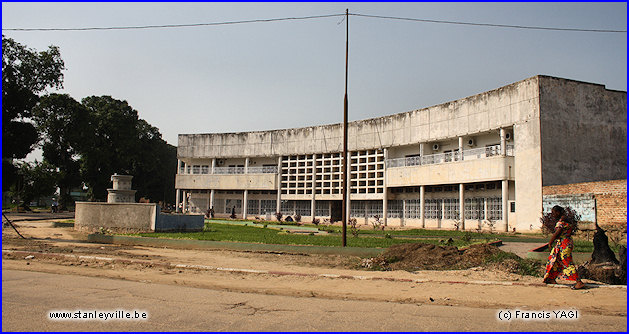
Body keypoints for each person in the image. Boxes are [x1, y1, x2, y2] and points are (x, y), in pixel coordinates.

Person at [543, 205, 585, 290]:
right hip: (565, 243)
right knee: (555, 259)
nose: (552, 214)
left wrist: (550, 242)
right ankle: (551, 278)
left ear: (558, 212)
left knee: (567, 262)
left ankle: (578, 282)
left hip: (564, 244)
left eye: (554, 213)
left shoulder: (562, 221)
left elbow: (557, 233)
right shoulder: (566, 219)